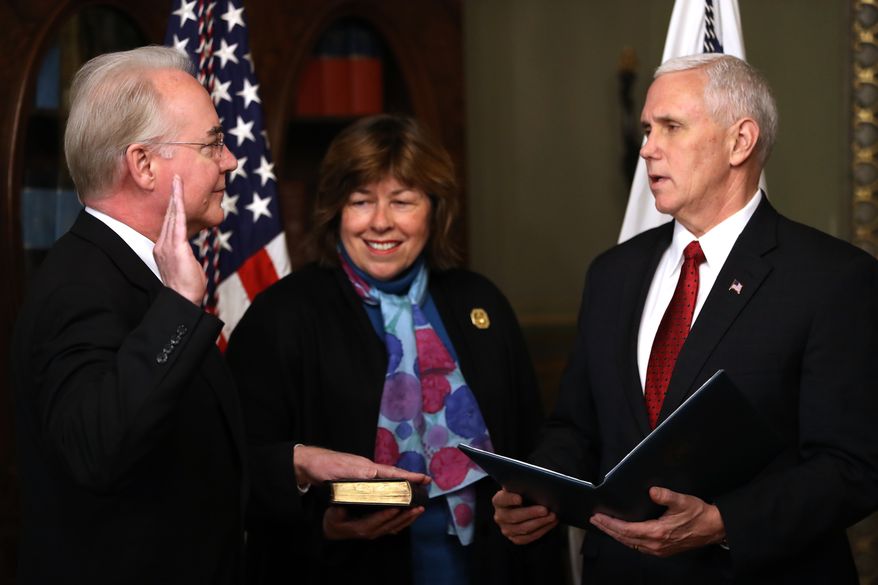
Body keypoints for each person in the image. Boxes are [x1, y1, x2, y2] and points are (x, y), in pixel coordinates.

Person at [11, 47, 424, 585]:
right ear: (142, 165)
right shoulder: (80, 284)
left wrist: (296, 464)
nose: (231, 160)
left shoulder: (136, 268)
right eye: (212, 144)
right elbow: (97, 450)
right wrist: (180, 307)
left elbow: (176, 459)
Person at [492, 53, 878, 584]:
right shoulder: (612, 273)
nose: (647, 147)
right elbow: (577, 427)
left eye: (671, 127)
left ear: (740, 141)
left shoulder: (832, 278)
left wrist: (724, 523)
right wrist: (537, 490)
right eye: (648, 129)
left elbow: (852, 466)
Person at [225, 114, 560, 585]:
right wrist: (320, 525)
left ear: (434, 208)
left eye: (402, 201)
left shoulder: (480, 302)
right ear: (336, 210)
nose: (381, 222)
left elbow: (532, 446)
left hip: (483, 568)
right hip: (341, 570)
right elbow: (235, 466)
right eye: (361, 201)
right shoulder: (282, 315)